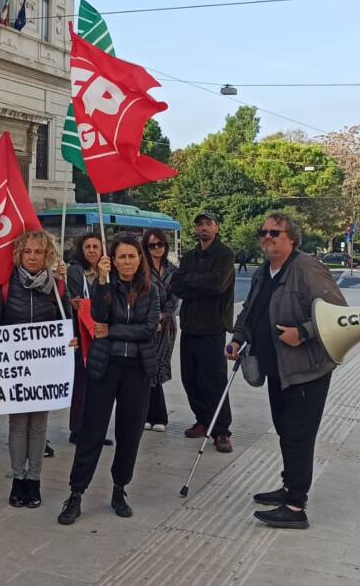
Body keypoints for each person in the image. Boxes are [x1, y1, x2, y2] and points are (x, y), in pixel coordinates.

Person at [229, 212, 345, 530]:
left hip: (307, 369)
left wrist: (303, 332)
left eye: (275, 233)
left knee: (299, 436)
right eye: (263, 231)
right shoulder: (262, 272)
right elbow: (250, 310)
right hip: (278, 369)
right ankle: (289, 486)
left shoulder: (307, 267)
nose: (267, 237)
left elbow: (338, 313)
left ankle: (296, 506)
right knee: (285, 431)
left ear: (292, 238)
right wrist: (238, 337)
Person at [58, 235, 160, 525]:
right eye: (121, 257)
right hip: (106, 367)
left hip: (137, 370)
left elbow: (148, 329)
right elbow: (97, 318)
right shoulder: (104, 285)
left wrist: (112, 331)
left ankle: (120, 488)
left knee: (130, 433)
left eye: (132, 256)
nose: (127, 262)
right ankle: (76, 493)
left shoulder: (150, 290)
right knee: (92, 431)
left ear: (140, 259)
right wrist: (103, 281)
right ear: (112, 260)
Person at [0, 230, 71, 509]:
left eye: (38, 252)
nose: (32, 257)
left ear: (47, 256)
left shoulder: (58, 287)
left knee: (39, 425)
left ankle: (35, 481)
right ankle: (18, 480)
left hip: (44, 369)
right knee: (18, 424)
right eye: (28, 251)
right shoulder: (5, 286)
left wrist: (72, 340)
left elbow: (68, 324)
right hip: (15, 369)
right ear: (19, 254)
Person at [172, 211, 235, 452]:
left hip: (212, 327)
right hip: (190, 326)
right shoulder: (189, 257)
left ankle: (221, 430)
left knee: (215, 380)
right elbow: (177, 285)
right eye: (200, 225)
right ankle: (202, 419)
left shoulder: (224, 254)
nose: (204, 228)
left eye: (209, 224)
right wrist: (197, 283)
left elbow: (217, 285)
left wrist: (192, 281)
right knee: (191, 378)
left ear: (216, 228)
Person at [66, 233, 109, 447]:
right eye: (87, 247)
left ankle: (95, 430)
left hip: (103, 333)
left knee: (100, 386)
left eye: (95, 246)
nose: (92, 250)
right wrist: (72, 303)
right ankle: (77, 429)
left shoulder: (108, 270)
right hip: (82, 333)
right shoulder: (75, 270)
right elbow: (70, 299)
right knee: (81, 385)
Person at [141, 229, 177, 431]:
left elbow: (175, 298)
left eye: (160, 244)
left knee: (160, 364)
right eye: (152, 245)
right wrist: (152, 316)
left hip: (167, 326)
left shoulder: (173, 270)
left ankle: (156, 415)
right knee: (148, 366)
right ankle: (155, 415)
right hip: (147, 323)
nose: (157, 248)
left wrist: (164, 314)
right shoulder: (142, 269)